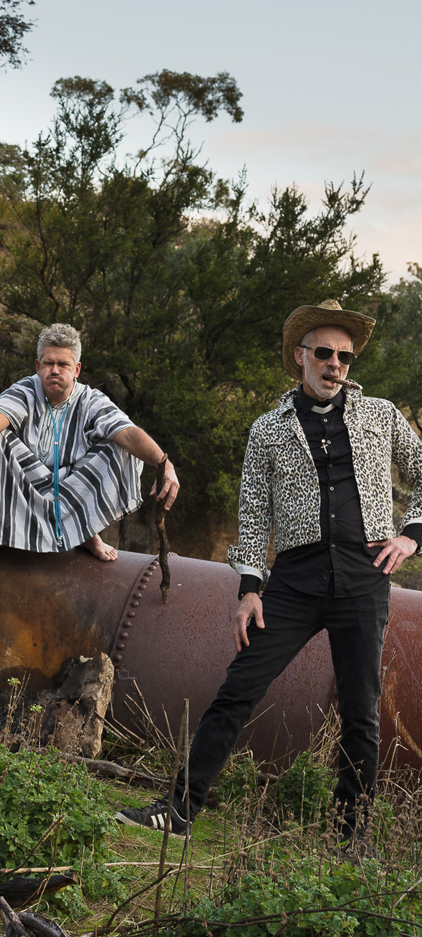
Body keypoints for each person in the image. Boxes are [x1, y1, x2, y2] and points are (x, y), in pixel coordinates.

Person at [116, 299, 422, 848]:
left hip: (363, 576)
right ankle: (180, 811)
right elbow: (253, 513)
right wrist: (249, 588)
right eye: (324, 353)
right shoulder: (268, 429)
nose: (335, 364)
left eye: (345, 357)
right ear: (300, 356)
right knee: (239, 688)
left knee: (361, 713)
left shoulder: (381, 415)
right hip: (296, 581)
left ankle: (348, 840)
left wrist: (411, 535)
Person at [0, 323, 179, 562]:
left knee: (123, 446)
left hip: (75, 486)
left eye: (63, 364)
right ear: (38, 366)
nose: (55, 370)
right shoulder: (26, 390)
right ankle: (1, 535)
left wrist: (165, 465)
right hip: (29, 484)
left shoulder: (91, 400)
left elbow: (128, 433)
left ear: (77, 370)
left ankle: (86, 534)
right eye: (49, 363)